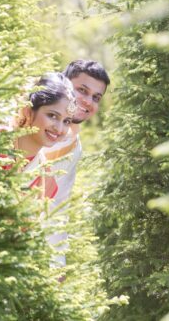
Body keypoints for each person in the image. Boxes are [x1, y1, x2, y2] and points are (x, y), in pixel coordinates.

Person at [42, 60, 110, 268]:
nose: (88, 101)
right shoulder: (29, 115)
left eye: (96, 97)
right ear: (64, 84)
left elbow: (57, 206)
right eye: (82, 90)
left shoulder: (73, 148)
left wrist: (57, 264)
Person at [0, 72, 77, 199]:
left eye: (66, 121)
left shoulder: (47, 181)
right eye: (52, 115)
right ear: (28, 111)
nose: (59, 128)